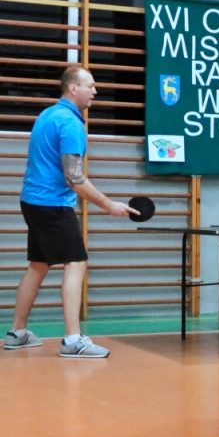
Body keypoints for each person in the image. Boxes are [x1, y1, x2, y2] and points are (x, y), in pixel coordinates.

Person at [6, 65, 136, 358]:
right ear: (73, 88)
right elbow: (74, 178)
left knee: (38, 265)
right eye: (90, 86)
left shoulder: (47, 115)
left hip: (32, 201)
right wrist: (109, 205)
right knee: (76, 263)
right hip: (52, 205)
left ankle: (17, 333)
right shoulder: (70, 124)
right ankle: (73, 340)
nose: (95, 91)